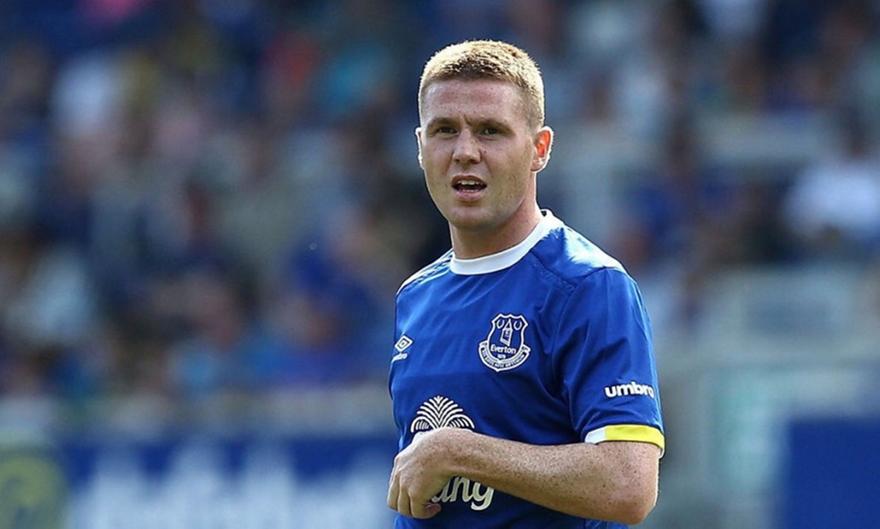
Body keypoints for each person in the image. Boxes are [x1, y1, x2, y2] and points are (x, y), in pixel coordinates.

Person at [387, 40, 664, 528]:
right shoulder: (416, 296)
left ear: (539, 149)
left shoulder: (589, 286)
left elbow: (628, 484)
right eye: (444, 130)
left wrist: (457, 452)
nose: (465, 151)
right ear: (420, 146)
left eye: (490, 131)